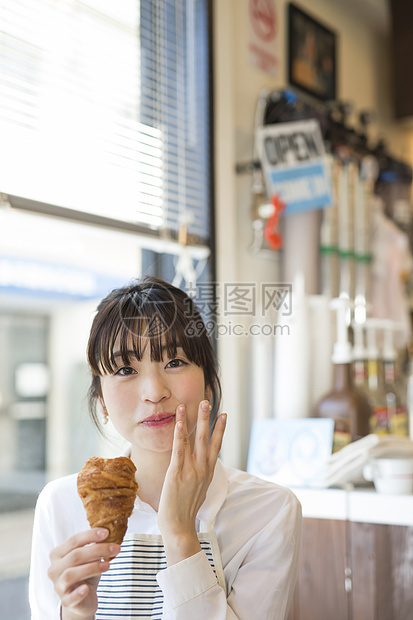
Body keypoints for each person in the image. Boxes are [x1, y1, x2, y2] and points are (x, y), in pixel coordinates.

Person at [29, 276, 302, 620]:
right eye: (125, 368)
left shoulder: (269, 511)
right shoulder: (61, 505)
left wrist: (180, 534)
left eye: (174, 362)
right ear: (101, 399)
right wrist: (76, 613)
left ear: (209, 381)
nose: (154, 392)